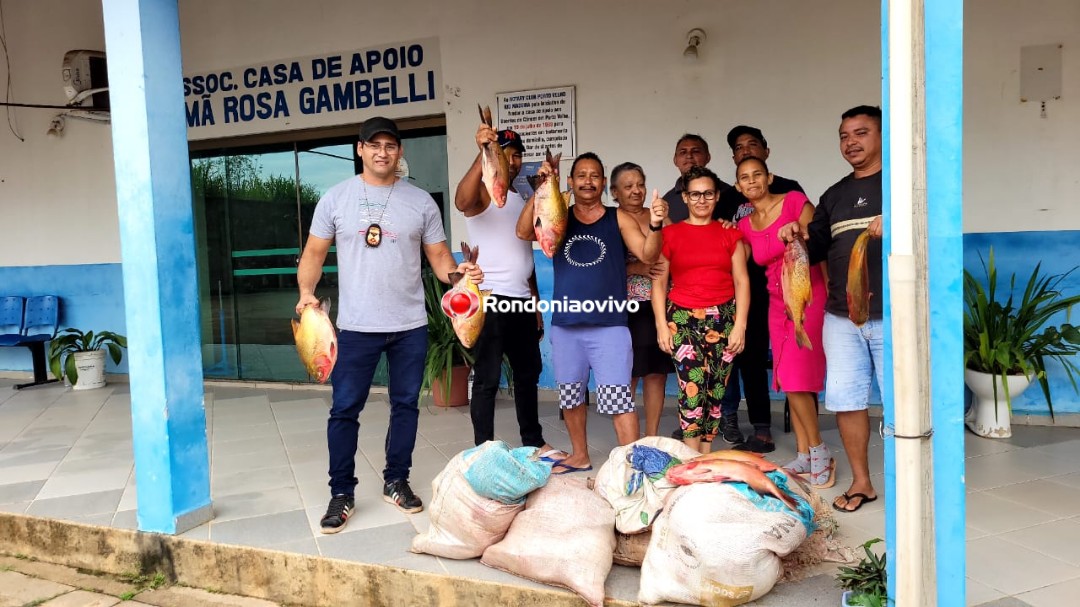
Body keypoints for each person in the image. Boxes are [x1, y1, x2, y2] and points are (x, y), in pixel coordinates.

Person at [297, 116, 483, 533]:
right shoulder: (336, 198)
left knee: (405, 406)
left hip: (409, 325)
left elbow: (439, 259)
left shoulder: (420, 202)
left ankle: (396, 480)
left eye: (391, 145)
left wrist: (461, 278)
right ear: (360, 149)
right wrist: (307, 293)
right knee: (345, 409)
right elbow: (313, 251)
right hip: (356, 326)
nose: (383, 152)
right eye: (374, 145)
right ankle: (341, 492)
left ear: (399, 152)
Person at [516, 152, 666, 473]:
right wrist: (544, 187)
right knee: (571, 395)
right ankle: (580, 455)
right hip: (567, 324)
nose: (587, 181)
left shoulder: (618, 218)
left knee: (618, 398)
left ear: (603, 183)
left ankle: (630, 465)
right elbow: (524, 232)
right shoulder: (559, 215)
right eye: (580, 175)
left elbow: (648, 253)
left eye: (594, 175)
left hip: (610, 324)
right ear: (570, 182)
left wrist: (655, 223)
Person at [779, 105, 885, 512]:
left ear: (881, 136)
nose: (851, 142)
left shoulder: (903, 184)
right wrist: (796, 236)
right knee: (846, 400)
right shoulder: (835, 195)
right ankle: (862, 482)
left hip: (894, 314)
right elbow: (816, 244)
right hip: (842, 316)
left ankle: (913, 480)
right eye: (844, 136)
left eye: (860, 133)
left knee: (902, 402)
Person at [454, 121, 561, 459]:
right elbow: (460, 200)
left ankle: (533, 440)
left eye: (517, 156)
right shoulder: (485, 195)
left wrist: (538, 306)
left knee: (528, 375)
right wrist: (482, 151)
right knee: (486, 379)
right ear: (495, 157)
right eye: (506, 155)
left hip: (522, 304)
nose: (513, 162)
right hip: (489, 301)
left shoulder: (520, 199)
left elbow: (526, 256)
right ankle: (483, 448)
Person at [735, 156, 833, 488]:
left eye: (757, 175)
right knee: (789, 378)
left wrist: (832, 291)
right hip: (777, 304)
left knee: (798, 377)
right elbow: (735, 260)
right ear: (738, 187)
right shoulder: (745, 226)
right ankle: (805, 454)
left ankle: (820, 452)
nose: (752, 181)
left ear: (769, 176)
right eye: (745, 178)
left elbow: (819, 244)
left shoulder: (794, 202)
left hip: (807, 298)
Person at [715, 125, 808, 452]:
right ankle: (761, 429)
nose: (746, 150)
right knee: (750, 357)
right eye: (739, 148)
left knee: (795, 358)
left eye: (752, 145)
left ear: (766, 154)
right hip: (745, 291)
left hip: (790, 289)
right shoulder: (727, 198)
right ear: (734, 160)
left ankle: (806, 440)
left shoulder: (790, 191)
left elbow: (812, 237)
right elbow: (723, 240)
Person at [653, 165, 749, 454]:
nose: (701, 200)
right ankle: (692, 456)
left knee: (716, 391)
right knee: (692, 390)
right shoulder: (670, 235)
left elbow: (742, 282)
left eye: (708, 193)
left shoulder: (729, 234)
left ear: (717, 195)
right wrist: (660, 324)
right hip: (681, 319)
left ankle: (704, 456)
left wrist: (740, 325)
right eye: (694, 194)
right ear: (684, 198)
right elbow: (658, 282)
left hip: (723, 319)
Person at [610, 162, 671, 437]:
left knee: (656, 373)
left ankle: (653, 435)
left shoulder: (657, 215)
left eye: (640, 185)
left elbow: (676, 251)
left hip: (658, 304)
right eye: (628, 186)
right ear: (614, 192)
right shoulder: (610, 220)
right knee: (629, 373)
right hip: (625, 306)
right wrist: (637, 268)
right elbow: (602, 266)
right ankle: (629, 438)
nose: (636, 191)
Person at [662, 134, 731, 223]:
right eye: (683, 152)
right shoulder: (667, 202)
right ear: (675, 160)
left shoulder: (729, 192)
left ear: (708, 157)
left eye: (696, 151)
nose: (689, 156)